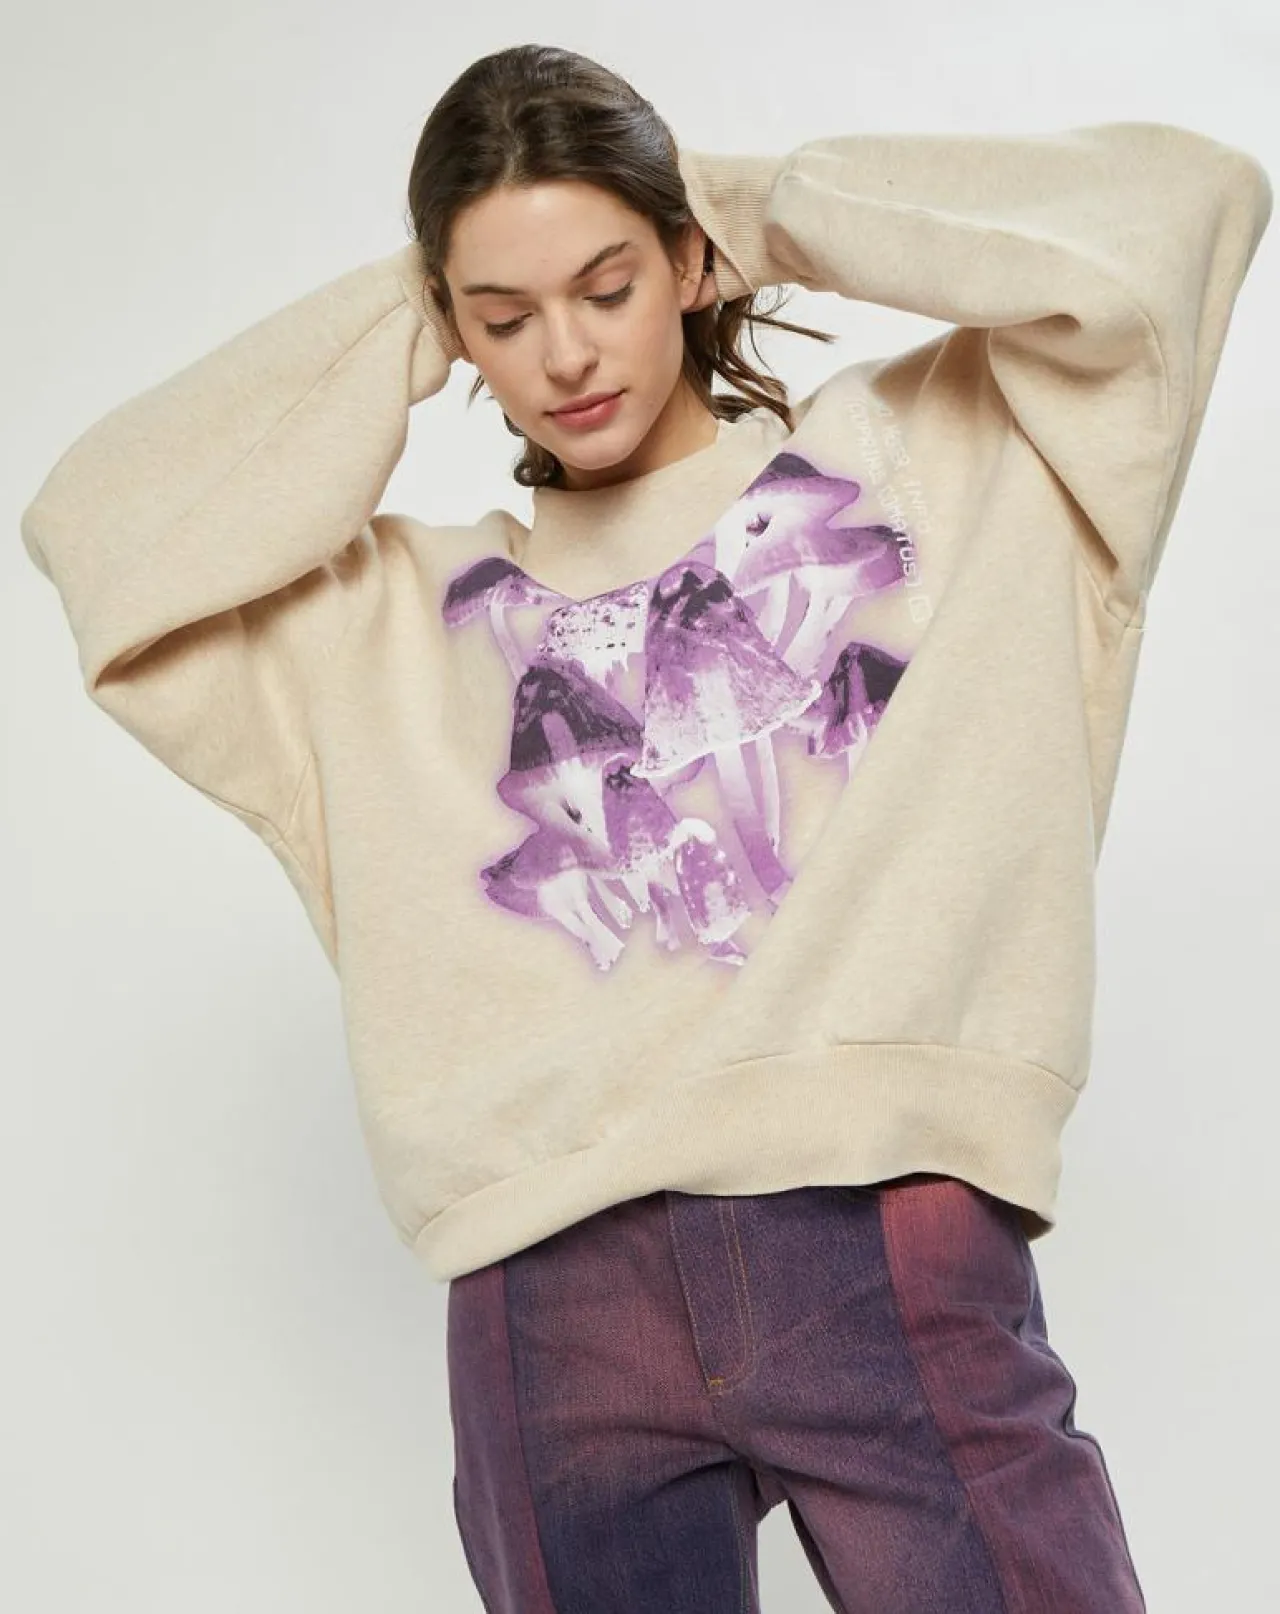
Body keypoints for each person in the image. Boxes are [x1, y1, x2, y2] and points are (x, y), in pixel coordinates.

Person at [20, 40, 1271, 1614]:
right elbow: (99, 532)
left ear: (686, 261)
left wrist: (757, 207)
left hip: (877, 1217)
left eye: (606, 285)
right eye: (503, 317)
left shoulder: (942, 458)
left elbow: (1179, 210)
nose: (566, 352)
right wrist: (404, 319)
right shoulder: (384, 627)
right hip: (554, 1299)